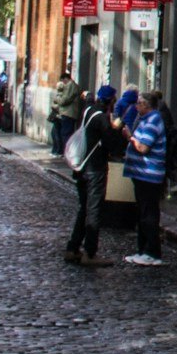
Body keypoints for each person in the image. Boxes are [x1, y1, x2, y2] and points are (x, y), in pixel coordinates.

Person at [66, 85, 121, 267]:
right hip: (95, 168)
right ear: (111, 100)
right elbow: (111, 144)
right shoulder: (102, 119)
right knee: (94, 210)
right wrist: (117, 129)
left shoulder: (88, 110)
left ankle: (73, 248)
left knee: (84, 208)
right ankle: (90, 252)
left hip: (81, 167)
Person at [122, 90, 170, 264]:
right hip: (142, 174)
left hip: (149, 175)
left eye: (139, 103)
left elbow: (143, 148)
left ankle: (152, 252)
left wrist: (130, 137)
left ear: (147, 105)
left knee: (148, 214)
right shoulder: (145, 120)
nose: (136, 106)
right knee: (142, 213)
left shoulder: (153, 121)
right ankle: (143, 250)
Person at [48, 70, 85, 162]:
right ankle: (61, 151)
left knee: (65, 134)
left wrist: (58, 100)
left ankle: (66, 152)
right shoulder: (70, 86)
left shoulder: (70, 86)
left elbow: (64, 100)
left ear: (66, 79)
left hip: (68, 113)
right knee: (60, 133)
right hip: (65, 113)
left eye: (63, 81)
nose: (62, 83)